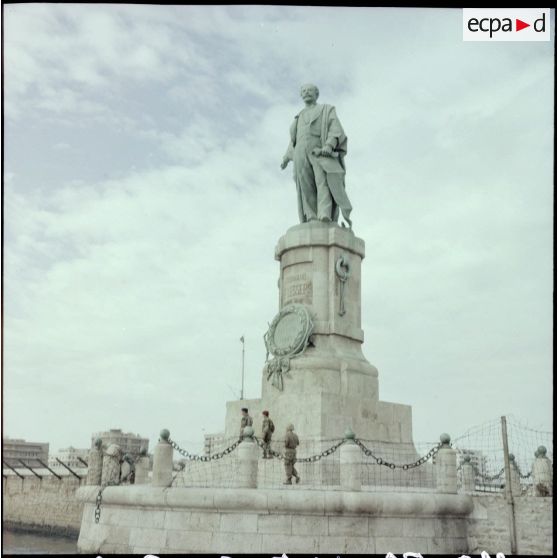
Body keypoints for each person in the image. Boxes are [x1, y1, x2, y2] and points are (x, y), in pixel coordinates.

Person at [281, 83, 353, 227]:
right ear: (301, 95)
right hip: (300, 152)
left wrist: (329, 145)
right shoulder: (298, 117)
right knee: (305, 183)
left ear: (316, 94)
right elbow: (293, 141)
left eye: (310, 90)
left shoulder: (326, 110)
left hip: (319, 150)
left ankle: (324, 214)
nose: (307, 93)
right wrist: (286, 157)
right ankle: (311, 216)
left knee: (323, 181)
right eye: (304, 91)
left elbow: (335, 129)